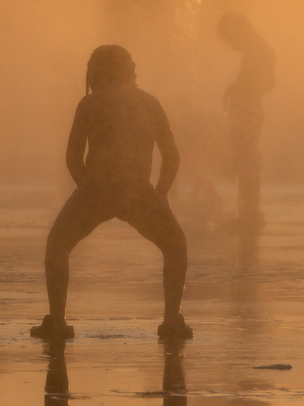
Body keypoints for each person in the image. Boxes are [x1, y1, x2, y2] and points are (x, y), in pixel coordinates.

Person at [31, 45, 193, 341]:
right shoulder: (149, 102)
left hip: (96, 188)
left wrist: (87, 190)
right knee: (175, 246)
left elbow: (72, 157)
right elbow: (172, 156)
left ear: (97, 73)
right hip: (138, 191)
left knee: (57, 245)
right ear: (129, 71)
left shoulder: (90, 103)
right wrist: (160, 192)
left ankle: (57, 321)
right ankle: (172, 321)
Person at [217, 13, 275, 231]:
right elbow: (267, 82)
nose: (232, 47)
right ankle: (248, 212)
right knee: (245, 160)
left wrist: (239, 91)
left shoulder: (257, 49)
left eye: (230, 40)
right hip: (248, 108)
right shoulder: (258, 48)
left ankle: (248, 215)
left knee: (245, 160)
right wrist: (236, 89)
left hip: (248, 110)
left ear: (238, 29)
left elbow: (264, 82)